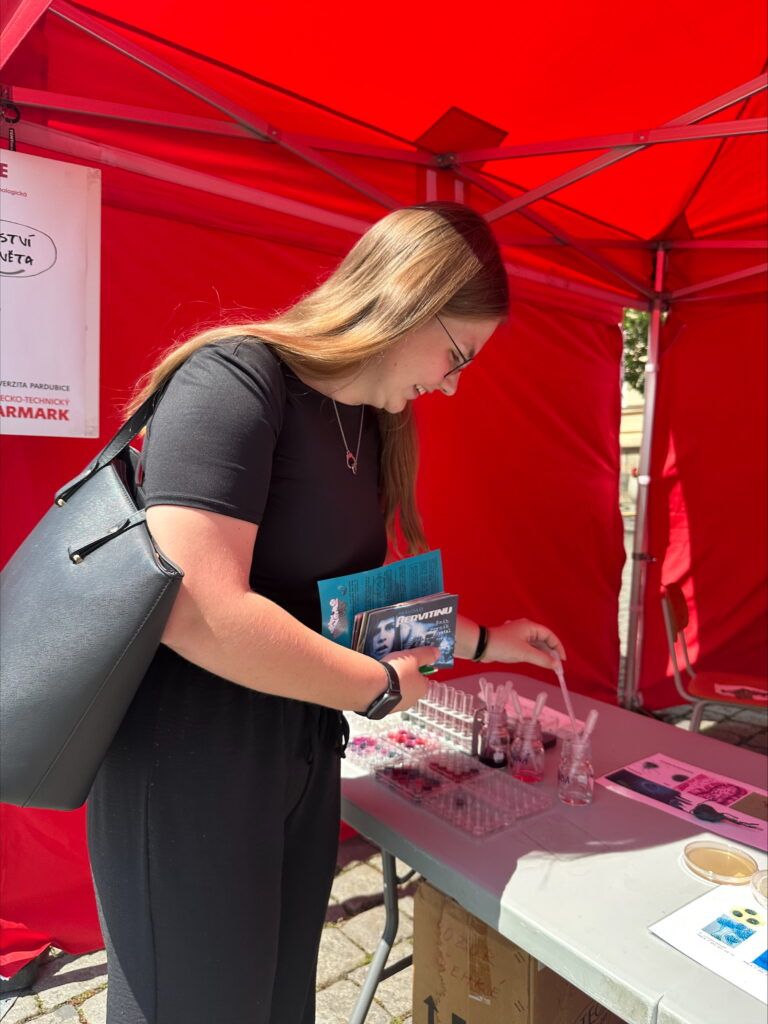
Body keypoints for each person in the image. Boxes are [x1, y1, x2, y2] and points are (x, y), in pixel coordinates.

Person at [87, 201, 566, 1024]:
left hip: (300, 757)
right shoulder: (234, 380)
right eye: (456, 354)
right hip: (189, 768)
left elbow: (348, 608)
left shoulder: (367, 425)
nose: (452, 384)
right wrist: (374, 688)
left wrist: (489, 639)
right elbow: (196, 608)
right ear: (407, 298)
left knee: (279, 1006)